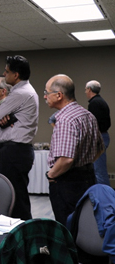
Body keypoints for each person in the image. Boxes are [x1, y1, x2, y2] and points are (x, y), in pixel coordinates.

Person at [44, 75, 103, 225]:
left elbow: (66, 159)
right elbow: (100, 148)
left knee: (67, 227)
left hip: (68, 182)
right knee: (84, 225)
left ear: (59, 95)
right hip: (88, 177)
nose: (44, 96)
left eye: (46, 92)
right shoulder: (87, 115)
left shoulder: (65, 119)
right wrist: (84, 161)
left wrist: (51, 175)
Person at [0, 56, 39, 220]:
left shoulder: (20, 93)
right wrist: (7, 119)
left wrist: (4, 118)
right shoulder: (27, 91)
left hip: (14, 151)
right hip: (19, 150)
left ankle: (20, 235)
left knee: (15, 198)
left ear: (16, 75)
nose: (4, 74)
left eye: (7, 71)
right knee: (18, 195)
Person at [86, 80, 111, 185]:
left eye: (86, 89)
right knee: (99, 169)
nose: (85, 92)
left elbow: (93, 124)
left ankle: (105, 198)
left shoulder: (94, 103)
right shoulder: (101, 101)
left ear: (90, 89)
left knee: (99, 171)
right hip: (103, 136)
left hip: (98, 138)